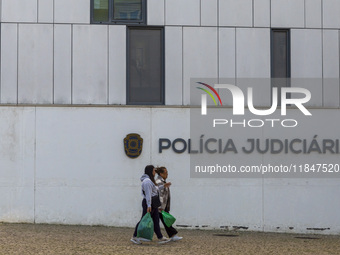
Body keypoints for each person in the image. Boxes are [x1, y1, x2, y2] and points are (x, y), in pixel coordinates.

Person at [131, 165, 170, 245]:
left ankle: (160, 237)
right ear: (150, 171)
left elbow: (154, 190)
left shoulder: (150, 181)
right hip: (149, 203)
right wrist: (149, 205)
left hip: (153, 203)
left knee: (156, 220)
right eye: (153, 170)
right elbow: (148, 194)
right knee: (143, 220)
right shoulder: (147, 181)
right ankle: (134, 237)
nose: (154, 172)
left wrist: (163, 186)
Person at [155, 166, 183, 242]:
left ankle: (171, 235)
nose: (167, 174)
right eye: (165, 173)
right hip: (160, 207)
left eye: (167, 172)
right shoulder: (159, 182)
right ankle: (172, 235)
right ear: (161, 174)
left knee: (163, 221)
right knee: (164, 220)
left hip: (163, 206)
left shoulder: (163, 182)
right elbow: (159, 195)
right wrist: (160, 206)